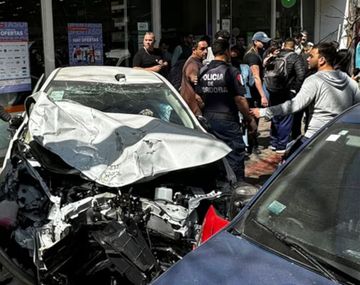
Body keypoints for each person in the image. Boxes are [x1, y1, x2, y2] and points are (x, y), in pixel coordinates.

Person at [251, 42, 360, 144]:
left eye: (311, 56)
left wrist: (264, 112)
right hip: (340, 135)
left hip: (316, 136)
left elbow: (295, 105)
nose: (307, 59)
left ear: (321, 60)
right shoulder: (351, 82)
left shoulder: (314, 80)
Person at [196, 39, 257, 182]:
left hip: (208, 118)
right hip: (227, 119)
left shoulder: (203, 70)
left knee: (215, 154)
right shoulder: (231, 71)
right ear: (226, 52)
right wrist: (250, 119)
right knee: (234, 154)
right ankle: (237, 189)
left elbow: (198, 97)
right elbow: (240, 100)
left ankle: (219, 184)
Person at [264, 38, 306, 153]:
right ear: (294, 46)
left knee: (275, 115)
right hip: (286, 90)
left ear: (284, 45)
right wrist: (294, 90)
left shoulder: (276, 55)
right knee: (286, 117)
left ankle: (273, 142)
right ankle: (282, 145)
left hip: (272, 89)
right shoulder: (295, 57)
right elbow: (301, 75)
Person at [243, 31, 271, 154]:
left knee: (252, 118)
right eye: (262, 41)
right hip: (252, 93)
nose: (265, 44)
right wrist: (263, 96)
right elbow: (256, 77)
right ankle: (251, 145)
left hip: (251, 92)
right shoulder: (253, 56)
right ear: (255, 42)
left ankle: (251, 143)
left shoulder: (255, 54)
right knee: (253, 118)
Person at [180, 39, 208, 116]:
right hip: (194, 110)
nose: (205, 52)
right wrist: (194, 78)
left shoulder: (197, 62)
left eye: (206, 49)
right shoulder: (192, 63)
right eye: (202, 49)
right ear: (194, 50)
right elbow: (192, 75)